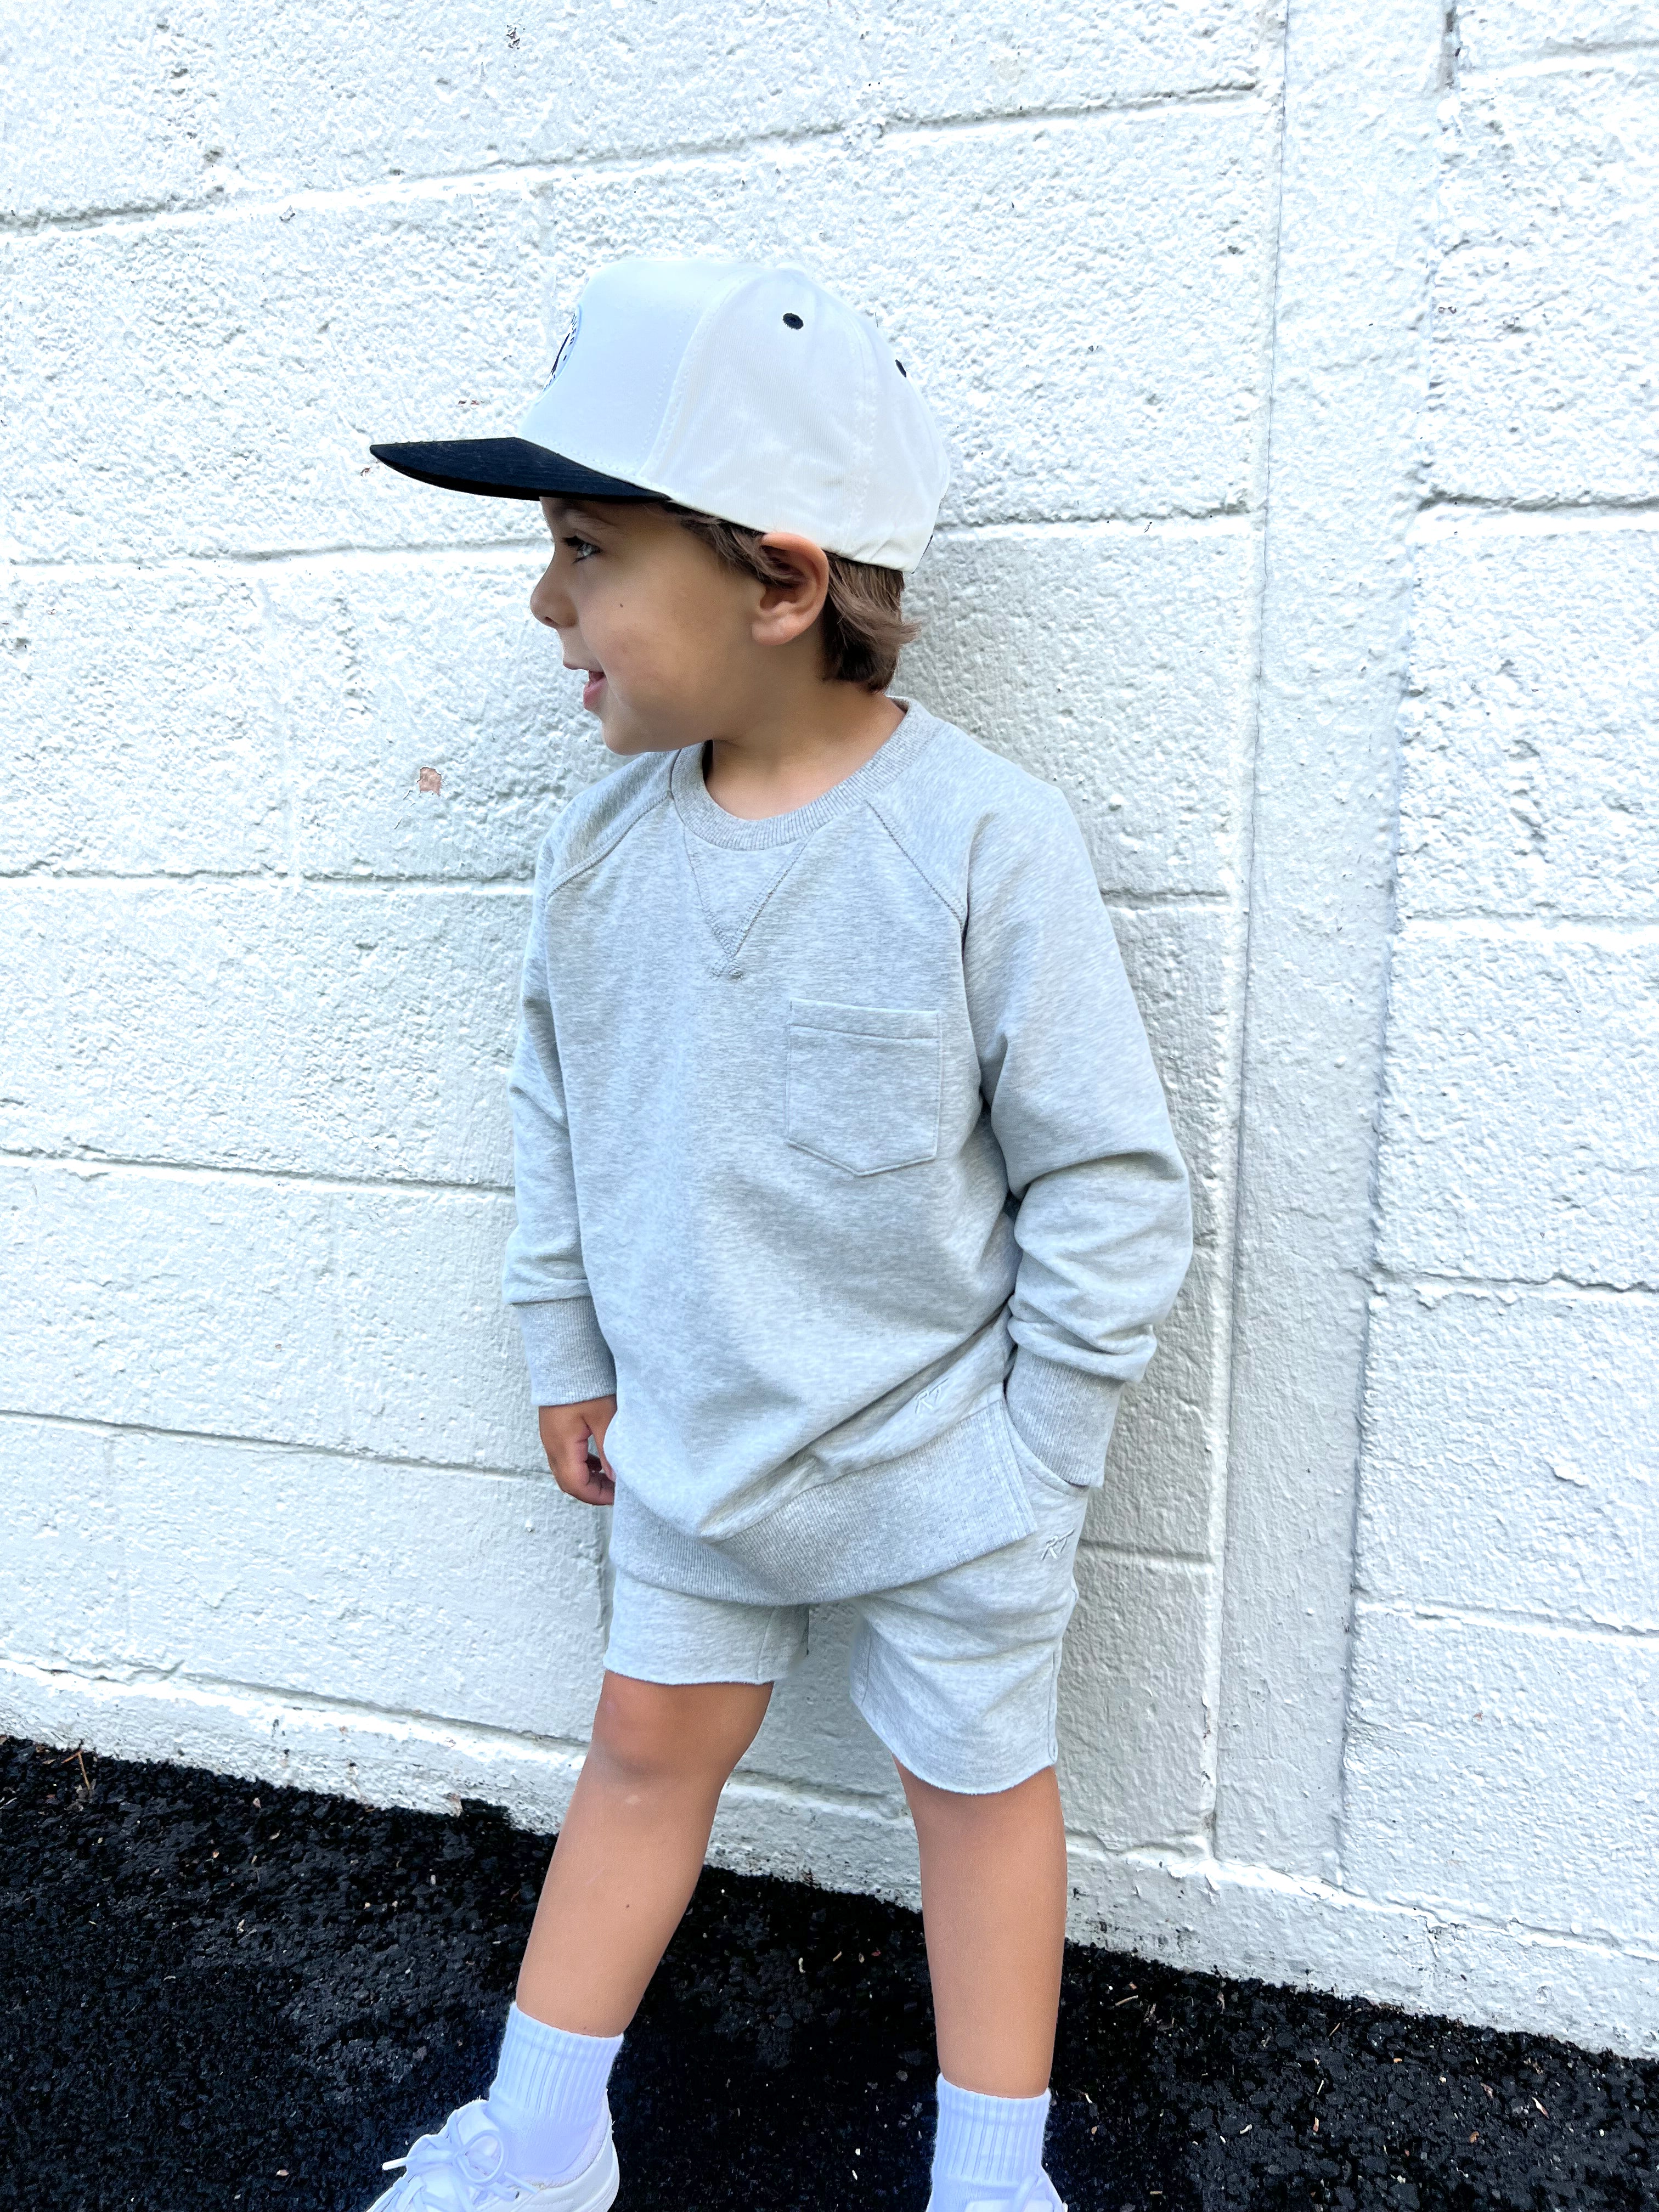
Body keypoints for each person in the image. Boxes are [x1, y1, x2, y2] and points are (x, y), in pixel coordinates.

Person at [363, 256, 1193, 2212]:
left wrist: (1036, 1459)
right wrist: (569, 1348)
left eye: (584, 548)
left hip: (945, 1474)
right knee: (642, 1759)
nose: (544, 601)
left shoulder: (984, 842)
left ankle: (996, 2177)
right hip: (690, 1457)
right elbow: (556, 1105)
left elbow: (1106, 1177)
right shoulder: (599, 847)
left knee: (977, 1802)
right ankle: (543, 2142)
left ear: (784, 581)